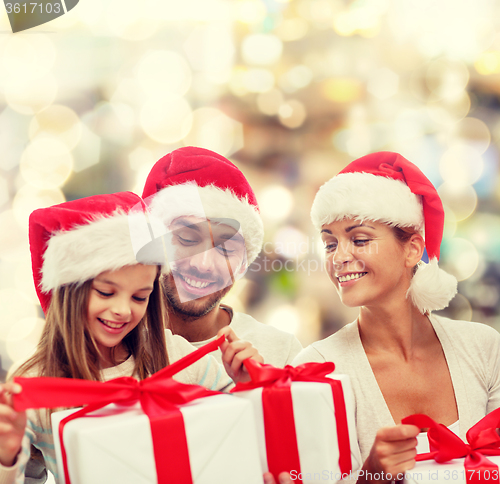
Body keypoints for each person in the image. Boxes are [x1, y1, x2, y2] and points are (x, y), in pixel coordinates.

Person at [0, 192, 261, 484]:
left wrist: (249, 388)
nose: (123, 310)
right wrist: (6, 457)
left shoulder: (177, 356)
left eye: (139, 297)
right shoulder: (37, 385)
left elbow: (241, 441)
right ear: (69, 290)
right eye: (106, 292)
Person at [292, 151, 500, 482]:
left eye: (359, 239)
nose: (340, 257)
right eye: (330, 244)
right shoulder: (317, 370)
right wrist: (371, 476)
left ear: (413, 249)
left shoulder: (484, 348)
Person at [142, 146, 302, 368]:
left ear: (243, 263)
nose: (203, 264)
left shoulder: (281, 354)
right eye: (187, 239)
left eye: (226, 249)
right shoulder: (104, 344)